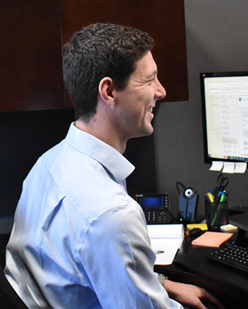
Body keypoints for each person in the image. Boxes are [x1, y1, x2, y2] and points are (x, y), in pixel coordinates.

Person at [4, 23, 224, 309]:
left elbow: (83, 267)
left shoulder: (49, 164)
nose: (161, 91)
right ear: (108, 92)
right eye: (149, 80)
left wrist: (161, 284)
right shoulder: (112, 215)